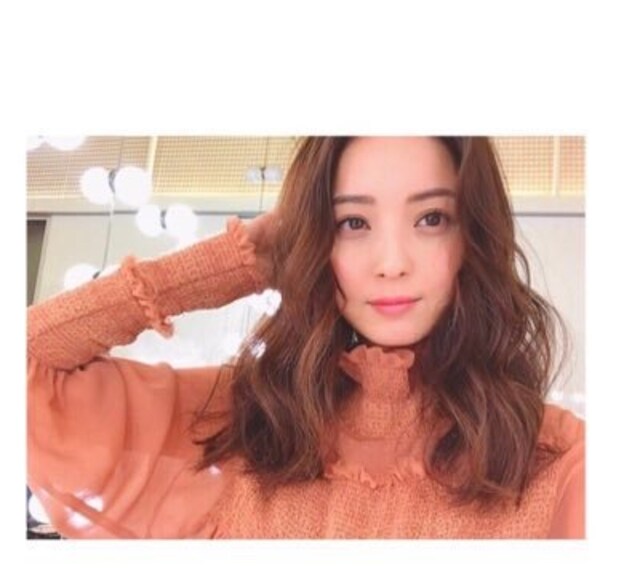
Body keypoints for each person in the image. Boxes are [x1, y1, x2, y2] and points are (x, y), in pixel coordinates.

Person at [27, 136, 585, 539]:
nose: (392, 263)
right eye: (353, 223)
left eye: (432, 218)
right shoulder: (246, 424)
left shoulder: (554, 463)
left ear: (473, 235)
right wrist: (238, 261)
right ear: (318, 240)